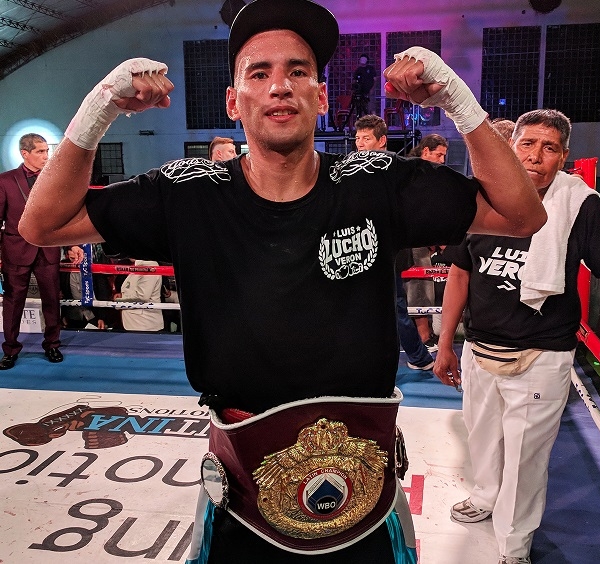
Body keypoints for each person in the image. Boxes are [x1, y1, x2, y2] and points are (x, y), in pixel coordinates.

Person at [20, 0, 547, 561]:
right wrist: (97, 109)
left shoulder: (377, 180)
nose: (280, 86)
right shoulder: (188, 191)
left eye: (298, 71)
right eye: (259, 73)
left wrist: (458, 100)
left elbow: (521, 215)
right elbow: (42, 224)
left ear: (321, 97)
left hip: (366, 491)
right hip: (243, 495)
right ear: (233, 102)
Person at [433, 109, 600, 564]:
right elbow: (460, 271)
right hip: (480, 346)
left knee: (526, 459)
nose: (535, 156)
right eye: (527, 144)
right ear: (511, 147)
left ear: (563, 157)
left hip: (542, 351)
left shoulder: (579, 204)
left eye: (549, 148)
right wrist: (446, 341)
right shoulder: (482, 195)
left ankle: (514, 547)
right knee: (482, 438)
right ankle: (485, 496)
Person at [354, 114, 435, 371]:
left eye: (366, 138)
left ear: (382, 141)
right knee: (376, 305)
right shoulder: (353, 169)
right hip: (359, 246)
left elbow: (409, 208)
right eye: (358, 138)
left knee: (393, 305)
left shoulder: (397, 169)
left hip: (387, 247)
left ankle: (416, 357)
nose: (360, 143)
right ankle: (416, 357)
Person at [0, 133, 64, 369]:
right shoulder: (5, 181)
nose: (46, 156)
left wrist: (74, 244)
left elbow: (64, 217)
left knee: (52, 300)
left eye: (47, 151)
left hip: (48, 249)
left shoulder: (55, 179)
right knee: (13, 302)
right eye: (40, 151)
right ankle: (10, 349)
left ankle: (53, 345)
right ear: (24, 153)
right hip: (16, 250)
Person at [408, 134, 450, 346]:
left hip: (422, 237)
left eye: (444, 156)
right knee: (419, 285)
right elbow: (416, 209)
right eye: (438, 155)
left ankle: (424, 336)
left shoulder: (426, 172)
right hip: (412, 239)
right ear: (426, 151)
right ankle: (424, 337)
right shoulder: (413, 171)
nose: (442, 160)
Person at [114, 259, 164, 331]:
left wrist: (119, 301)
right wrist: (122, 295)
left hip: (144, 325)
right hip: (136, 324)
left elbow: (142, 297)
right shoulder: (138, 265)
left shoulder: (149, 265)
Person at [352, 53, 376, 118]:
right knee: (361, 109)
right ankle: (363, 122)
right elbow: (354, 81)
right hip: (361, 92)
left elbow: (375, 80)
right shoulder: (358, 70)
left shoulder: (371, 69)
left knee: (371, 107)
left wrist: (372, 89)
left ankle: (375, 122)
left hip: (369, 92)